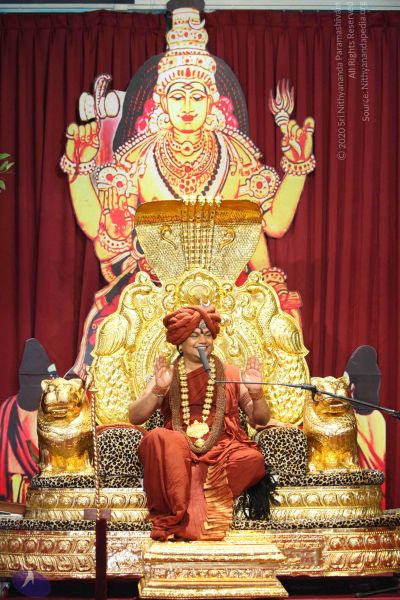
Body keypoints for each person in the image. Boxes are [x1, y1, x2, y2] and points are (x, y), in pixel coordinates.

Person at [61, 2, 315, 377]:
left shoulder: (235, 154)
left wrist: (296, 167)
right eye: (178, 95)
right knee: (111, 332)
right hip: (155, 285)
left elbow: (273, 224)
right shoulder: (139, 158)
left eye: (197, 95)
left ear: (211, 100)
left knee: (280, 328)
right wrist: (79, 172)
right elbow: (104, 241)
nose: (187, 106)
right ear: (162, 100)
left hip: (227, 284)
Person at [129, 304, 271, 541]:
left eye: (207, 334)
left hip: (222, 451)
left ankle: (193, 495)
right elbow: (135, 417)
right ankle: (184, 503)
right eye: (194, 335)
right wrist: (159, 389)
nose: (203, 340)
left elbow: (260, 419)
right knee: (157, 438)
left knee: (252, 459)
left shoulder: (231, 374)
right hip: (178, 451)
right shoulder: (167, 374)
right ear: (180, 341)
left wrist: (257, 393)